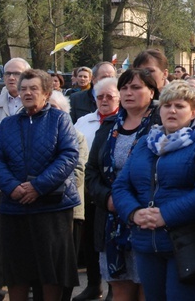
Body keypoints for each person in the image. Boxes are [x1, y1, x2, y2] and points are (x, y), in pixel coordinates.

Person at [112, 80, 195, 301]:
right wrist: (134, 212)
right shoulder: (145, 142)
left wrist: (166, 215)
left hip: (187, 242)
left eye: (180, 106)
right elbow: (121, 185)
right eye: (166, 105)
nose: (172, 110)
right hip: (145, 241)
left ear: (193, 112)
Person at [0, 69, 80, 301]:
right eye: (23, 89)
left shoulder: (60, 119)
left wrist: (38, 187)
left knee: (51, 268)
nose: (27, 93)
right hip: (15, 206)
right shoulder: (8, 124)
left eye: (33, 89)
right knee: (17, 269)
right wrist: (12, 187)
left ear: (46, 93)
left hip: (52, 206)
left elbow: (69, 155)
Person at [86, 69, 159, 301]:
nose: (129, 93)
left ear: (151, 91)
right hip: (112, 221)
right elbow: (92, 171)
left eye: (136, 88)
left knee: (148, 290)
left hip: (148, 219)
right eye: (124, 88)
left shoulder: (161, 123)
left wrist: (132, 204)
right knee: (120, 291)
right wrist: (107, 198)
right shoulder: (109, 126)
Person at [73, 77, 121, 301]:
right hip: (87, 190)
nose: (104, 100)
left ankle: (114, 288)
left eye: (109, 96)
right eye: (99, 96)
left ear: (118, 97)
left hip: (112, 191)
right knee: (90, 241)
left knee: (111, 241)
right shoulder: (84, 121)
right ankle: (93, 285)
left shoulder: (125, 120)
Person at [0, 58, 30, 301]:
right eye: (7, 73)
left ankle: (25, 287)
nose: (11, 78)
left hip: (29, 182)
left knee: (26, 237)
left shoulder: (36, 103)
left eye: (17, 73)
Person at [47, 91, 89, 301]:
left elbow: (77, 174)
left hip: (69, 210)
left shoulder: (77, 136)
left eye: (56, 108)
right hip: (38, 210)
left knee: (64, 266)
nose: (51, 112)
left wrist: (39, 187)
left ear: (65, 113)